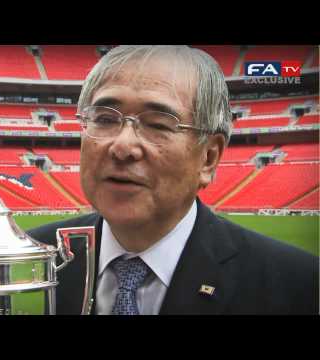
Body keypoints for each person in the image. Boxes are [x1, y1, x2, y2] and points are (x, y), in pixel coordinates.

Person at [27, 45, 319, 315]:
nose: (122, 146)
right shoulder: (29, 255)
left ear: (208, 158)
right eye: (104, 119)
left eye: (157, 124)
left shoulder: (300, 285)